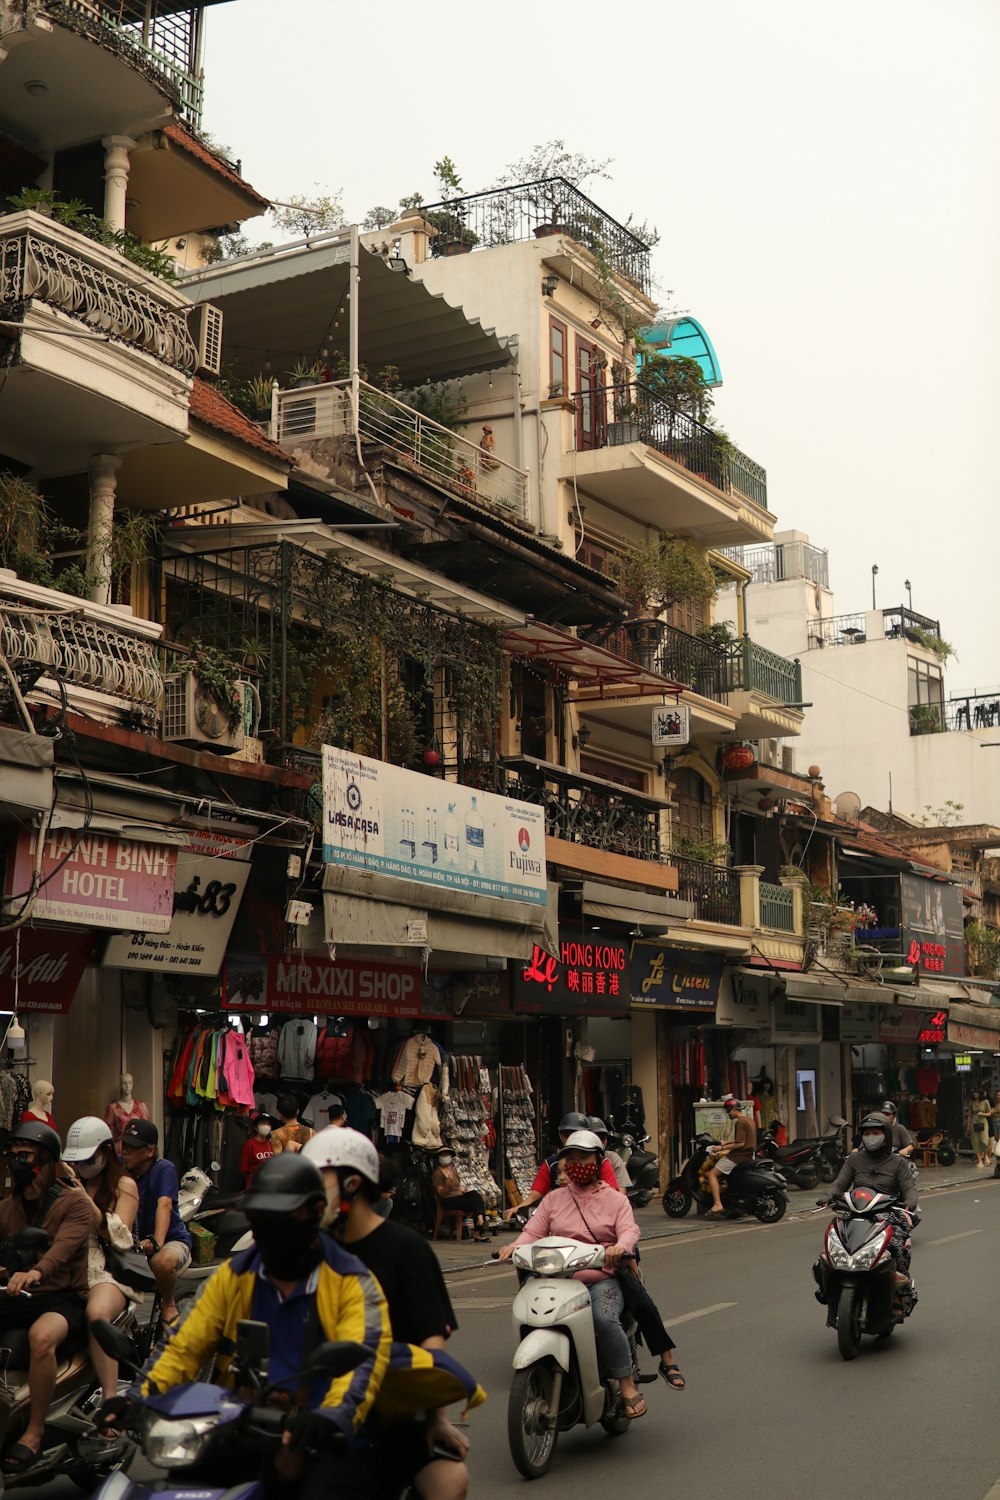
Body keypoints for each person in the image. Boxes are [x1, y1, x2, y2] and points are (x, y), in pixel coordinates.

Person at [102, 1154, 391, 1500]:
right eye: (262, 1216)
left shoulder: (353, 1282)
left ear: (315, 1212)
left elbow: (362, 1364)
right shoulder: (233, 1277)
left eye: (283, 1215)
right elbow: (184, 1346)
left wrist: (330, 1417)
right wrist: (138, 1399)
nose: (272, 1225)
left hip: (327, 1436)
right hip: (245, 1424)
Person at [303, 1127, 472, 1500]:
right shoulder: (308, 1248)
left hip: (391, 1410)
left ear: (352, 1184)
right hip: (313, 1408)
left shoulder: (407, 1249)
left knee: (449, 1481)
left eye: (319, 1180)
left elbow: (431, 1343)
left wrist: (436, 1419)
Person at [499, 1131, 646, 1417]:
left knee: (604, 1319)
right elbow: (533, 1232)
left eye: (583, 1157)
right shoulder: (553, 1199)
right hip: (555, 1280)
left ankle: (627, 1384)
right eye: (570, 1157)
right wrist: (513, 1247)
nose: (576, 1163)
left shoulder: (615, 1201)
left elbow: (630, 1230)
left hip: (598, 1278)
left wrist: (620, 1247)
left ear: (597, 1161)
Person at [0, 1121, 96, 1474]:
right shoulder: (7, 1207)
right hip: (15, 1296)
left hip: (61, 1298)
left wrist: (36, 1271)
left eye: (24, 1155)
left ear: (46, 1159)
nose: (16, 1163)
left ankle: (34, 1432)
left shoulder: (74, 1204)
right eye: (12, 1156)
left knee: (42, 1337)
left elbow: (63, 1249)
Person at [62, 1116, 140, 1403]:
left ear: (105, 1153)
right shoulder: (71, 1183)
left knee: (96, 1316)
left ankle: (110, 1402)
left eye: (88, 1159)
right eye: (77, 1161)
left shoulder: (124, 1185)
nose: (82, 1166)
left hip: (106, 1270)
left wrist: (85, 1201)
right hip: (69, 1264)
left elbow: (119, 1236)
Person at [819, 1113, 918, 1310]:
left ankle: (901, 1292)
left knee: (896, 1244)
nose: (871, 1136)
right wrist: (828, 1196)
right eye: (867, 1133)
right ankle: (827, 1287)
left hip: (887, 1213)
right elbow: (839, 1183)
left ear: (886, 1135)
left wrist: (910, 1202)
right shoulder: (854, 1159)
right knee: (832, 1245)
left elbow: (909, 1188)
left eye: (876, 1132)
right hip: (855, 1212)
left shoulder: (898, 1162)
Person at [119, 1119, 191, 1326]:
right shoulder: (120, 1167)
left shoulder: (163, 1168)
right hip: (130, 1243)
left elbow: (165, 1205)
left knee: (162, 1261)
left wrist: (156, 1241)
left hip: (170, 1239)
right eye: (124, 1146)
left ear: (150, 1151)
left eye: (132, 1148)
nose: (125, 1151)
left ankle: (168, 1303)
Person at [502, 1112, 617, 1220]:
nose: (563, 1177)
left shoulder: (601, 1162)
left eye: (575, 1133)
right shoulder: (551, 1163)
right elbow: (535, 1195)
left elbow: (613, 1197)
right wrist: (518, 1208)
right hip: (562, 1216)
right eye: (565, 1134)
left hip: (594, 1215)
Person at [706, 1095, 757, 1215]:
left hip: (738, 1156)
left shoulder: (740, 1122)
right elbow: (745, 1140)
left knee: (712, 1174)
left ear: (733, 1110)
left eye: (728, 1111)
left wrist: (721, 1148)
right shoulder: (749, 1120)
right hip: (748, 1155)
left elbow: (740, 1143)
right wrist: (727, 1142)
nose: (728, 1114)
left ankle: (718, 1204)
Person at [431, 1150, 490, 1243]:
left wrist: (462, 1190)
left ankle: (479, 1218)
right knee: (472, 1203)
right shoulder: (437, 1173)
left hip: (459, 1196)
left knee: (474, 1194)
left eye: (447, 1154)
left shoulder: (453, 1170)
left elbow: (458, 1185)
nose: (445, 1156)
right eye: (443, 1155)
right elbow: (440, 1194)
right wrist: (447, 1185)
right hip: (448, 1200)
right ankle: (478, 1228)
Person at [587, 1117, 631, 1190]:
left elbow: (621, 1194)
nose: (599, 1141)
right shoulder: (574, 1159)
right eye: (595, 1137)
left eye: (602, 1137)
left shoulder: (611, 1158)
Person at [240, 1111, 276, 1189]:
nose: (266, 1126)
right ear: (256, 1127)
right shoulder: (249, 1144)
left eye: (268, 1124)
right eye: (263, 1123)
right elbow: (243, 1169)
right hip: (253, 1186)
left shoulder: (269, 1144)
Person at [968, 1088, 992, 1167]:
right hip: (973, 1123)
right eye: (974, 1093)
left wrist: (983, 1114)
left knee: (983, 1140)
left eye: (977, 1093)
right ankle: (979, 1160)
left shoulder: (985, 1102)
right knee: (975, 1142)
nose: (975, 1094)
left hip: (983, 1123)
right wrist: (968, 1126)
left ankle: (985, 1155)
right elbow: (969, 1115)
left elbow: (989, 1113)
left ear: (980, 1094)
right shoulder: (971, 1102)